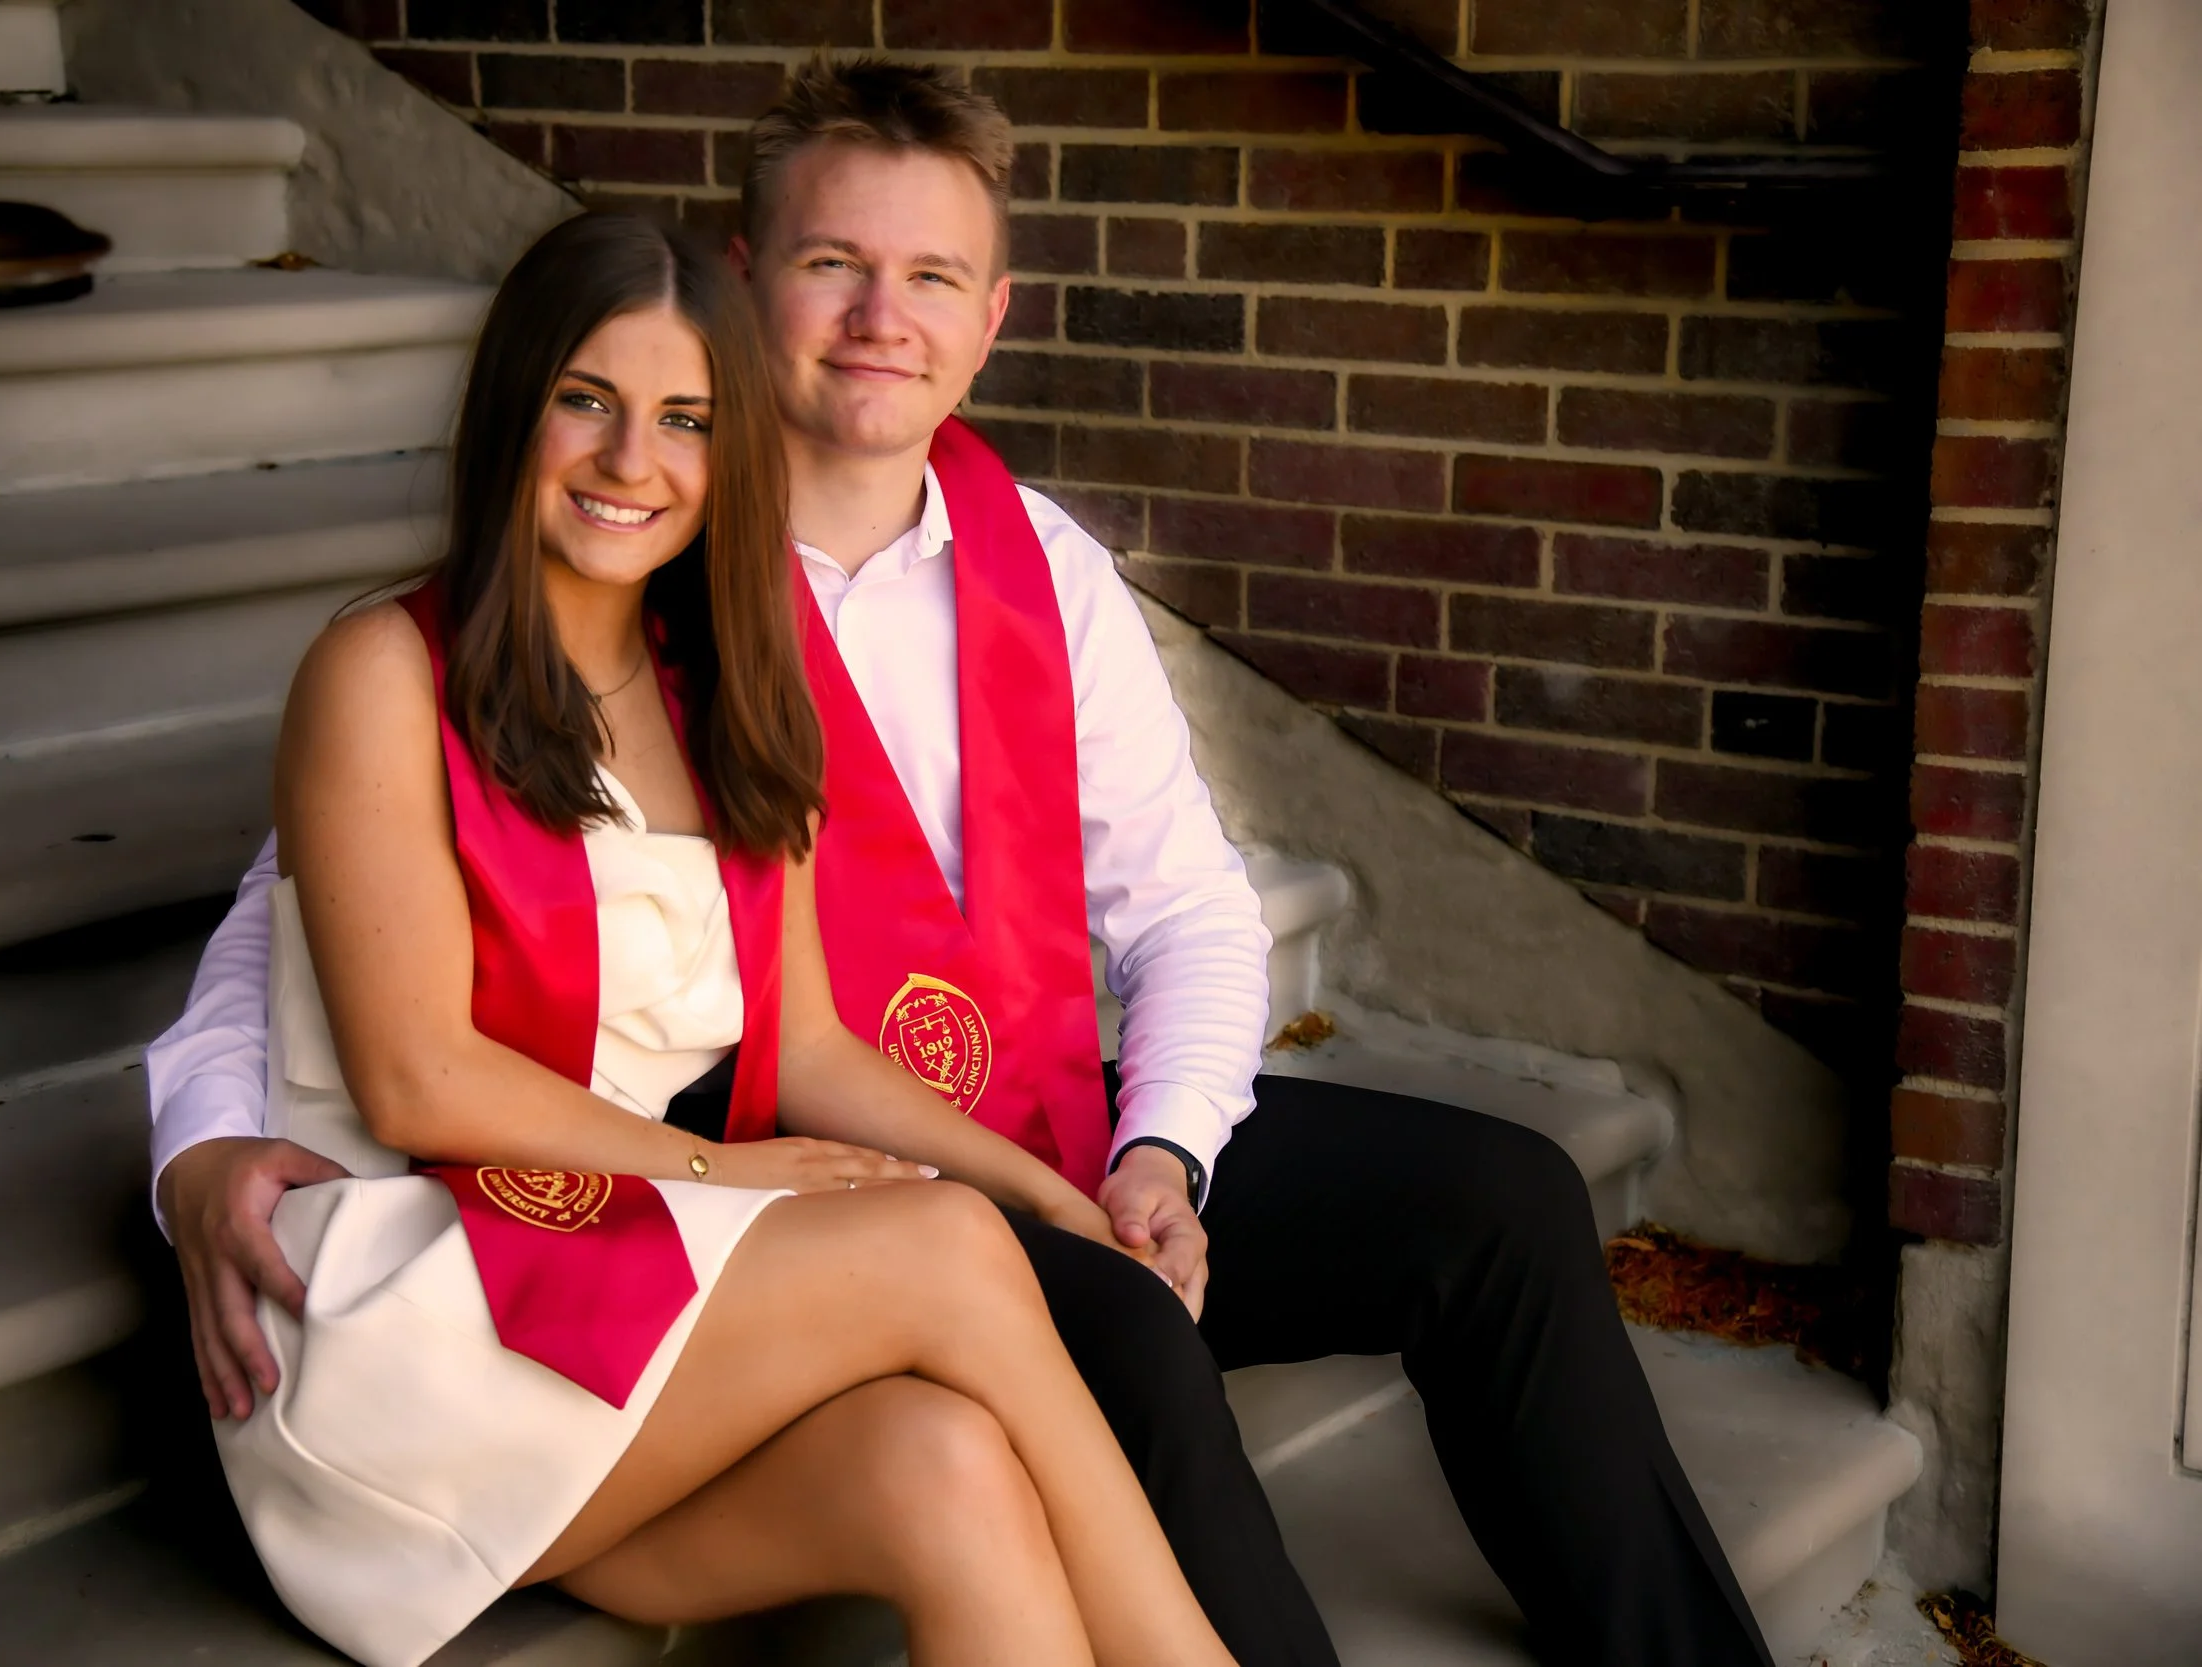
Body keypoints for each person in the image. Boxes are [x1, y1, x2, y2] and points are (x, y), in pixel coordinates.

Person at [153, 58, 1776, 1667]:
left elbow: (1195, 907)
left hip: (1012, 1113)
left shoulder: (1036, 567)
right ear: (743, 285)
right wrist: (205, 1135)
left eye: (929, 275)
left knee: (1500, 1201)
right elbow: (316, 912)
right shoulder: (631, 579)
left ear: (989, 316)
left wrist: (1160, 1160)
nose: (880, 317)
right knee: (1096, 1334)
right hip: (752, 1162)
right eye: (831, 265)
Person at [202, 207, 1243, 1667]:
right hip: (413, 1299)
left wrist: (1052, 1195)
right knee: (939, 1245)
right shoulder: (382, 672)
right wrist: (732, 1174)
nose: (635, 460)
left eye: (686, 418)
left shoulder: (729, 693)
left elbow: (805, 1043)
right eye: (589, 400)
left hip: (610, 1279)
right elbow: (417, 1080)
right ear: (515, 403)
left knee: (946, 1470)